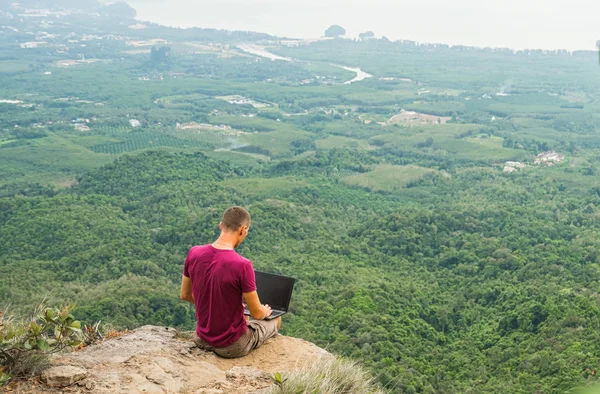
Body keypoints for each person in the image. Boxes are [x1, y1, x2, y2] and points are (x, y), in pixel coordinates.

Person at [179, 206, 281, 358]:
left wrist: (218, 308)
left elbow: (185, 295)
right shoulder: (243, 265)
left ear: (221, 225)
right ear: (243, 230)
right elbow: (257, 314)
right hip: (232, 346)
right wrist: (264, 311)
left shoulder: (194, 253)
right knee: (276, 319)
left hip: (201, 339)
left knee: (243, 316)